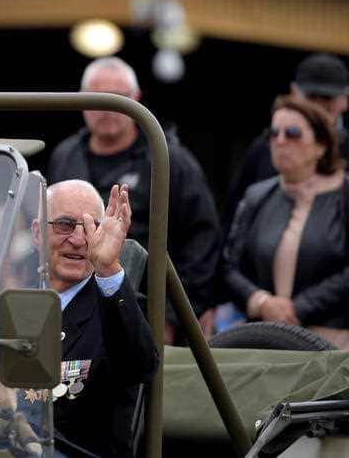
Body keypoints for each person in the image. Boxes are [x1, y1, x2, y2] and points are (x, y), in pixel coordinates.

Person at [47, 56, 221, 340]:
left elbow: (201, 242)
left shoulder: (168, 158)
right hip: (70, 307)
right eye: (98, 97)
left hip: (144, 309)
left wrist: (170, 318)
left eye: (118, 98)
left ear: (136, 99)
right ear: (81, 99)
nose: (107, 108)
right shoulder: (65, 155)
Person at [38, 180, 158, 458]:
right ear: (36, 232)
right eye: (65, 225)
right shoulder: (12, 302)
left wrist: (107, 268)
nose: (80, 240)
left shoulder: (117, 309)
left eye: (93, 228)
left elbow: (139, 366)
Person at [223, 98, 349, 346]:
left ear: (321, 145)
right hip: (265, 340)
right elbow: (229, 266)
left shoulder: (344, 193)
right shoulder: (257, 195)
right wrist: (262, 302)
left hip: (334, 344)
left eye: (292, 133)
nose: (280, 141)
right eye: (273, 133)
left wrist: (300, 307)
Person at [224, 53, 349, 231]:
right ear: (294, 93)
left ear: (345, 100)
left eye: (327, 99)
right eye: (311, 97)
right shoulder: (266, 146)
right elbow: (234, 215)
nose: (318, 107)